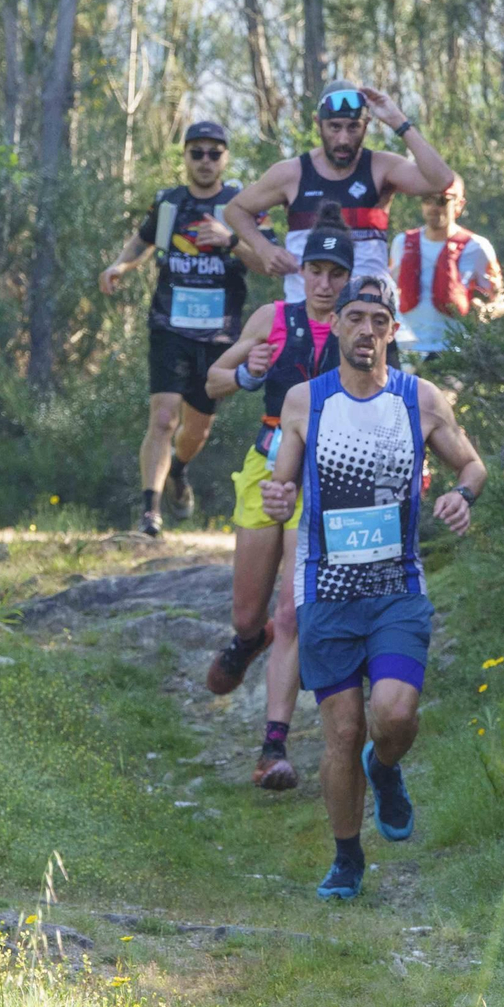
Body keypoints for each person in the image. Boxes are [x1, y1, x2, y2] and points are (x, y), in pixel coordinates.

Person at [261, 275, 487, 900]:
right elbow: (281, 494)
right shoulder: (306, 401)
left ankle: (384, 770)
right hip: (326, 591)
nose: (365, 329)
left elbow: (471, 464)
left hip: (396, 590)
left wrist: (461, 494)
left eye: (378, 320)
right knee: (340, 731)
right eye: (354, 317)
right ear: (335, 325)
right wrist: (277, 498)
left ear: (393, 329)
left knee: (394, 715)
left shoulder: (421, 399)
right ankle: (346, 859)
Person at [201, 205, 354, 790]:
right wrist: (246, 373)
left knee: (292, 611)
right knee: (251, 612)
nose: (323, 283)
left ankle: (273, 746)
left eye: (334, 273)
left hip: (320, 476)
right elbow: (212, 380)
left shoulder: (359, 326)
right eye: (314, 270)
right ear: (301, 273)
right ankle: (248, 640)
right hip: (264, 465)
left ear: (346, 278)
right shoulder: (272, 317)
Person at [99, 121, 268, 537]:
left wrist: (230, 239)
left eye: (214, 153)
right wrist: (121, 264)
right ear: (186, 158)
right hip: (169, 326)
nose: (206, 161)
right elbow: (142, 242)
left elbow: (268, 260)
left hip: (219, 335)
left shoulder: (240, 206)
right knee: (162, 419)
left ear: (226, 157)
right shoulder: (170, 204)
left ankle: (178, 470)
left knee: (197, 429)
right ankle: (150, 513)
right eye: (198, 153)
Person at [223, 82, 456, 303]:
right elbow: (236, 209)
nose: (343, 139)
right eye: (334, 127)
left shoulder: (381, 167)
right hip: (305, 313)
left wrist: (398, 121)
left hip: (367, 314)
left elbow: (441, 180)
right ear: (318, 123)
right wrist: (264, 249)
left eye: (353, 127)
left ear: (366, 125)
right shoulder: (292, 173)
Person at [390, 175, 504, 360]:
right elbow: (388, 290)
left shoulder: (477, 247)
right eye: (427, 199)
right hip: (406, 351)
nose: (433, 207)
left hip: (453, 351)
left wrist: (487, 311)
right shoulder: (402, 242)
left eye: (442, 200)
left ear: (459, 205)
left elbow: (501, 297)